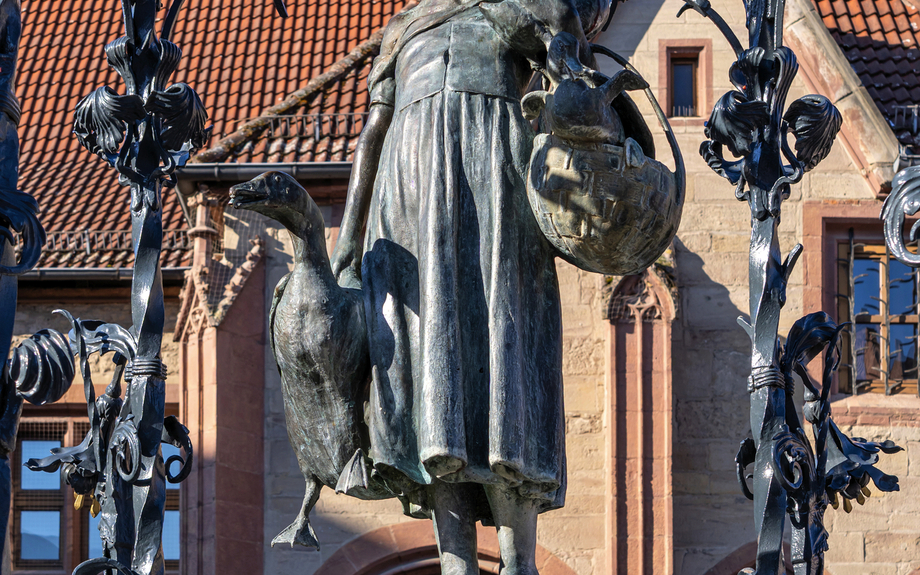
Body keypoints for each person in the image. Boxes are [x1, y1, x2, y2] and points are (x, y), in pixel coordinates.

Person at [330, 1, 608, 572]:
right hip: (408, 186)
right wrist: (345, 246)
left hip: (496, 173)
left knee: (505, 345)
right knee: (431, 370)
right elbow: (372, 133)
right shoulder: (403, 26)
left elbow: (573, 63)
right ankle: (455, 560)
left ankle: (518, 559)